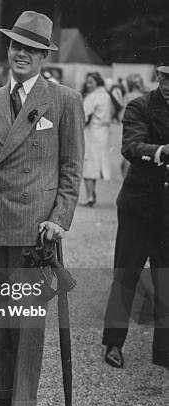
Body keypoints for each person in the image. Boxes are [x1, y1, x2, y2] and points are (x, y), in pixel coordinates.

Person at [0, 11, 84, 406]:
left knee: (28, 318)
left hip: (37, 230)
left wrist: (59, 220)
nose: (21, 54)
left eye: (31, 49)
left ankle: (23, 401)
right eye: (16, 46)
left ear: (43, 56)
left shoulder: (65, 100)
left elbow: (72, 170)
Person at [101, 46, 169, 371]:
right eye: (165, 77)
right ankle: (113, 342)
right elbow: (131, 146)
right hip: (139, 209)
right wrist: (162, 152)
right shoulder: (139, 106)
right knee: (126, 275)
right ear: (157, 75)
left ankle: (163, 350)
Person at [81, 72, 113, 206]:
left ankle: (89, 197)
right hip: (103, 133)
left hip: (92, 133)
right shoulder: (106, 95)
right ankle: (91, 193)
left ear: (97, 82)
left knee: (88, 165)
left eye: (91, 82)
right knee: (96, 164)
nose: (88, 85)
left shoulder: (92, 97)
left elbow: (84, 116)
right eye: (87, 82)